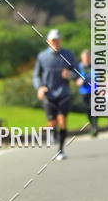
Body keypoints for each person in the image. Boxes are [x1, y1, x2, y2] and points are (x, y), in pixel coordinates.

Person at [33, 29, 78, 160]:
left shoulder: (68, 55)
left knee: (62, 121)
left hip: (64, 93)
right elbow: (36, 75)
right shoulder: (42, 57)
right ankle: (54, 134)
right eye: (53, 40)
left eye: (58, 40)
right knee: (52, 123)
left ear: (61, 41)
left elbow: (77, 72)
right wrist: (40, 87)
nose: (56, 43)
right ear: (48, 41)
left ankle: (60, 150)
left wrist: (70, 75)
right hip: (49, 94)